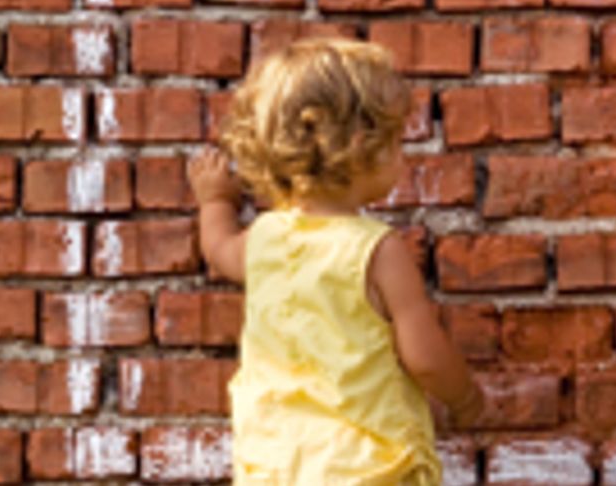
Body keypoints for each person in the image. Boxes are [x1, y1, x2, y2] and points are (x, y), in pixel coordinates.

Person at [187, 38, 483, 485]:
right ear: (364, 144)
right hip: (368, 470)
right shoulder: (377, 250)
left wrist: (214, 200)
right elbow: (424, 357)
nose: (402, 157)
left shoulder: (265, 237)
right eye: (397, 141)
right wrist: (464, 398)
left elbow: (219, 249)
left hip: (274, 467)